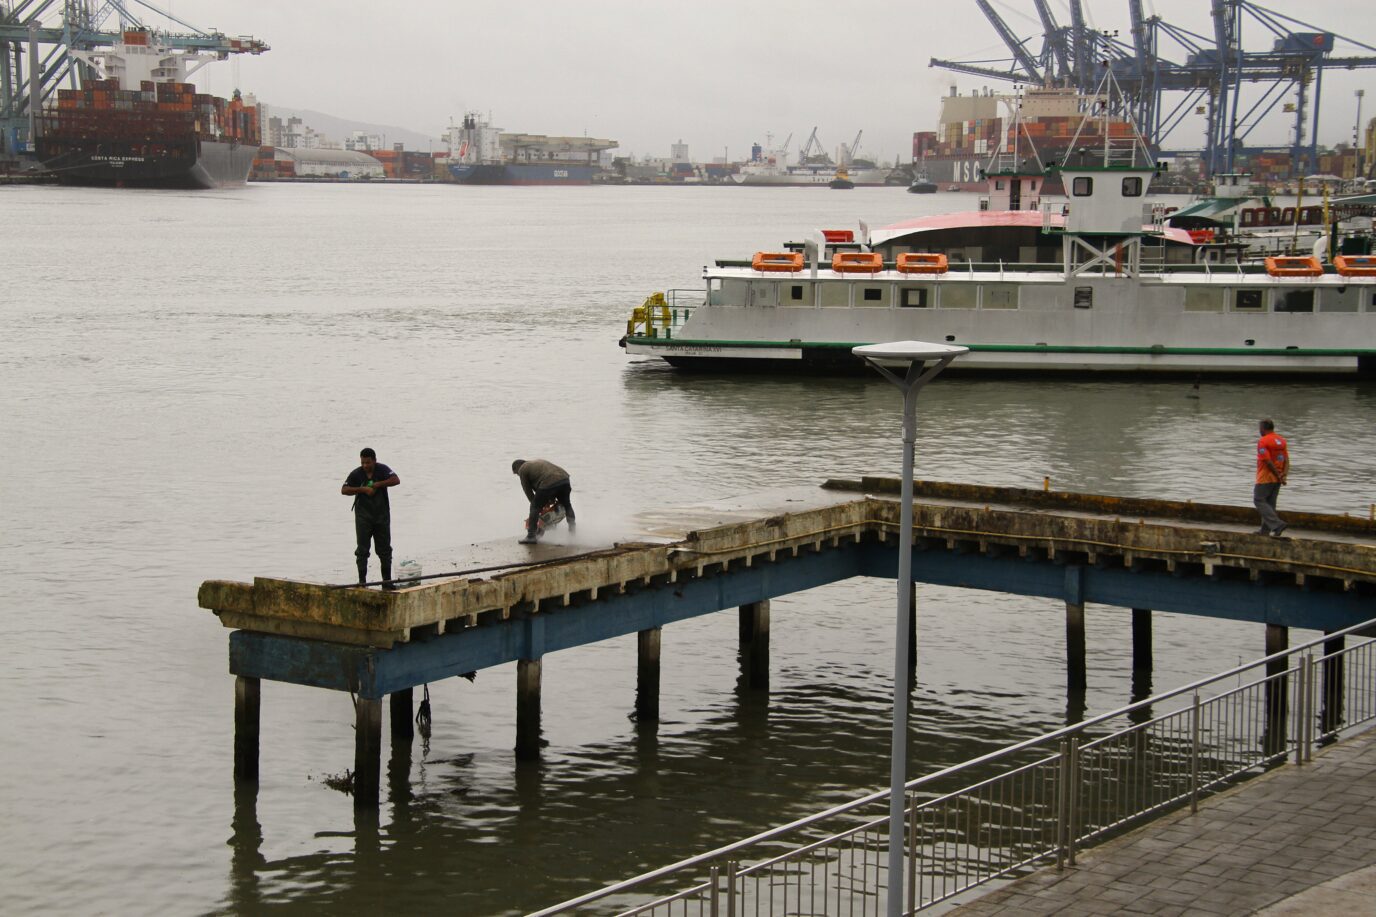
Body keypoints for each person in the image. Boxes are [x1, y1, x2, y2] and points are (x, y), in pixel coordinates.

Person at [342, 448, 400, 586]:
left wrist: (378, 484)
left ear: (374, 460)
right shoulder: (356, 474)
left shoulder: (382, 470)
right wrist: (362, 489)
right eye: (363, 463)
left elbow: (396, 480)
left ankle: (387, 582)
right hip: (363, 518)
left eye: (368, 462)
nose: (365, 466)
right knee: (362, 550)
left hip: (382, 516)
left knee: (385, 550)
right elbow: (344, 490)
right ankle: (362, 581)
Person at [512, 458, 575, 544]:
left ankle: (531, 536)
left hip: (550, 481)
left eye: (516, 474)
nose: (518, 475)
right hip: (564, 479)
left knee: (534, 507)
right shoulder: (536, 464)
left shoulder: (523, 469)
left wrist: (537, 506)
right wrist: (547, 502)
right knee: (567, 505)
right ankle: (573, 533)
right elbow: (545, 488)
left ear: (517, 468)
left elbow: (528, 491)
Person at [1253, 419, 1289, 537]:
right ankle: (1265, 531)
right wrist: (1283, 474)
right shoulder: (1281, 440)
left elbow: (1267, 461)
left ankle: (1277, 524)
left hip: (1265, 477)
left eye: (1259, 428)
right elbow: (1286, 460)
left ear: (1263, 428)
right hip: (1277, 479)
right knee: (1270, 504)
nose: (1259, 430)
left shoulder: (1263, 441)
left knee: (1258, 500)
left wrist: (1278, 475)